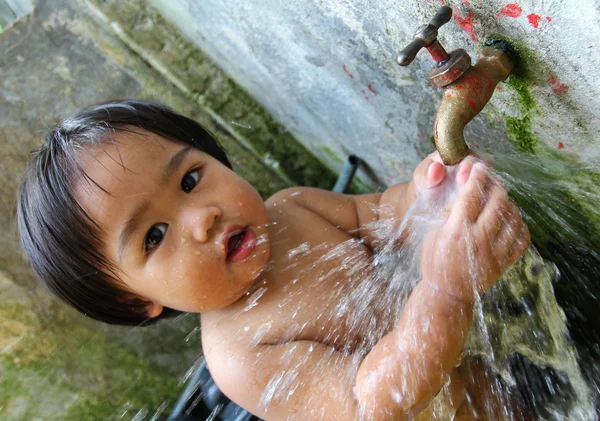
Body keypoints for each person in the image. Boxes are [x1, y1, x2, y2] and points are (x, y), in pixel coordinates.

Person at [17, 100, 530, 420]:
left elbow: (381, 214)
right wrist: (446, 289)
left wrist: (429, 194)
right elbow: (371, 405)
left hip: (478, 388)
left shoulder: (293, 209)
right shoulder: (240, 353)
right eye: (154, 235)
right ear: (137, 301)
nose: (203, 218)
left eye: (191, 179)